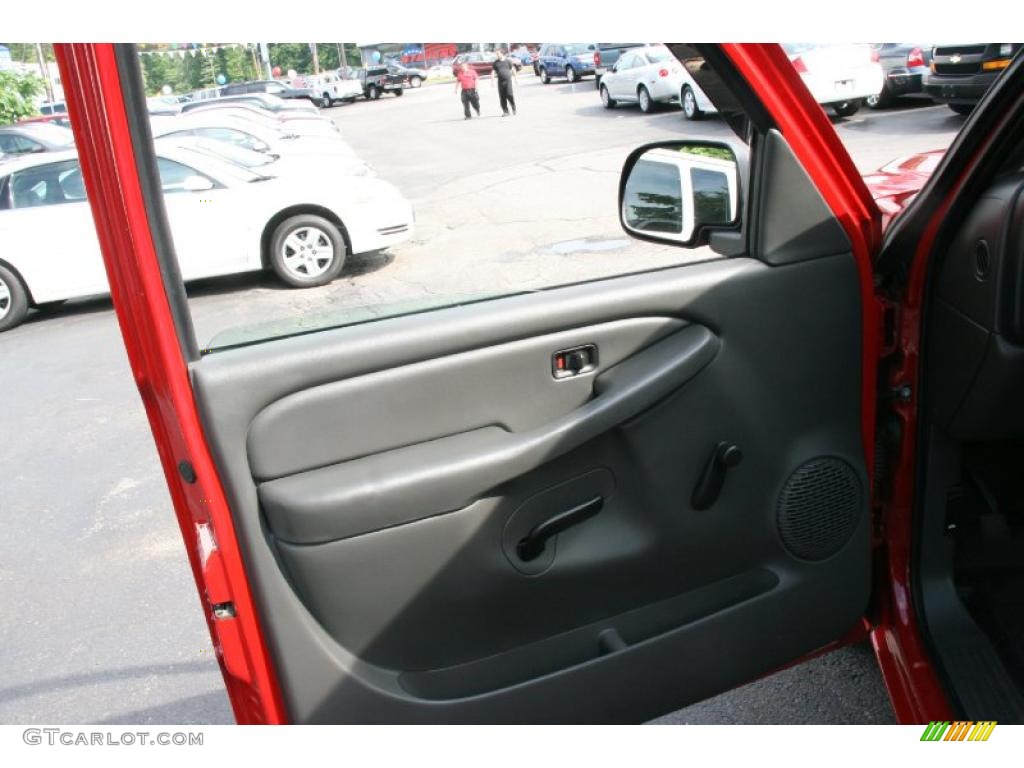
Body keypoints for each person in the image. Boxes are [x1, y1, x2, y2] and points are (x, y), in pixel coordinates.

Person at [491, 49, 518, 116]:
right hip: (500, 82)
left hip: (508, 81)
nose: (497, 55)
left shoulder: (508, 61)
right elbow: (493, 72)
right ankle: (505, 111)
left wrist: (515, 78)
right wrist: (492, 81)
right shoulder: (495, 62)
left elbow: (513, 69)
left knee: (509, 95)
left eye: (498, 54)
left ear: (502, 54)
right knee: (502, 97)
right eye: (496, 54)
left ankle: (513, 107)